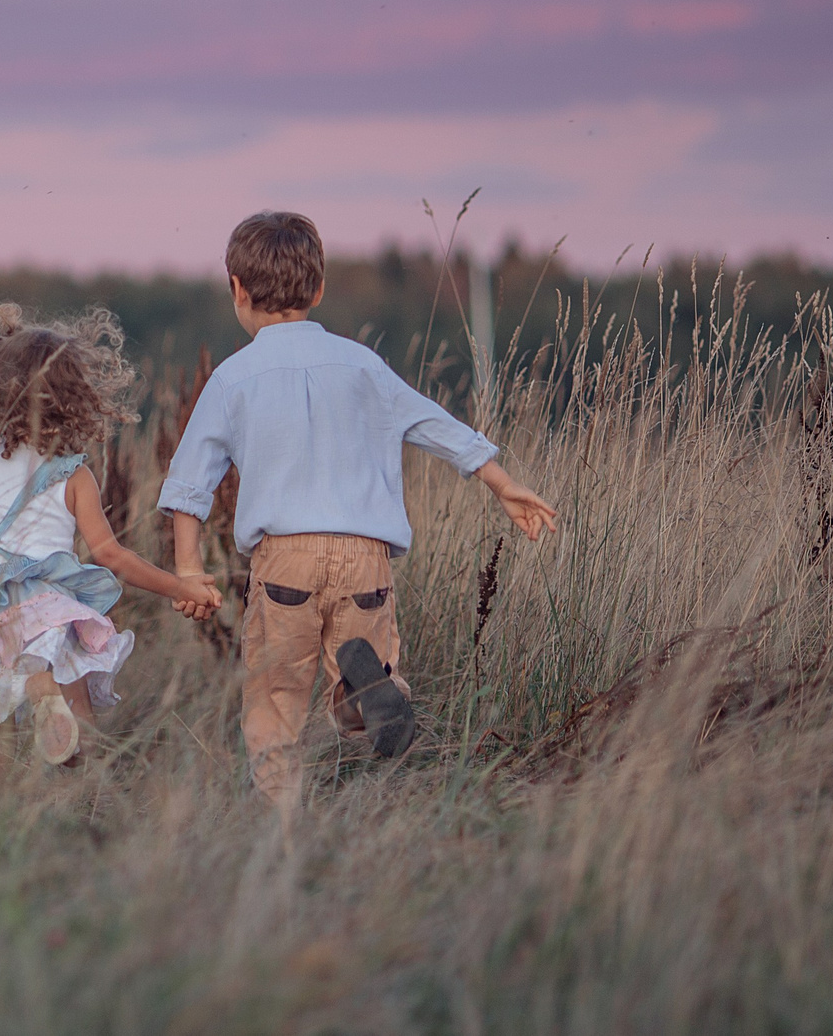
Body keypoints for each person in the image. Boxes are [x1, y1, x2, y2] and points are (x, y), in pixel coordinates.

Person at [157, 210, 558, 805]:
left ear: (237, 291)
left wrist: (189, 570)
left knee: (275, 704)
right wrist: (501, 483)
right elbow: (432, 424)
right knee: (359, 677)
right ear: (318, 289)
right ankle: (363, 701)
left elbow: (189, 485)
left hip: (284, 564)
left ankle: (280, 828)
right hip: (363, 560)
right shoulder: (363, 365)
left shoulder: (233, 378)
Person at [0, 304, 222, 763]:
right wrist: (180, 585)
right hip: (47, 614)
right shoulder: (73, 476)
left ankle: (2, 806)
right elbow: (110, 556)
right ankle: (55, 716)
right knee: (83, 741)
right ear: (75, 400)